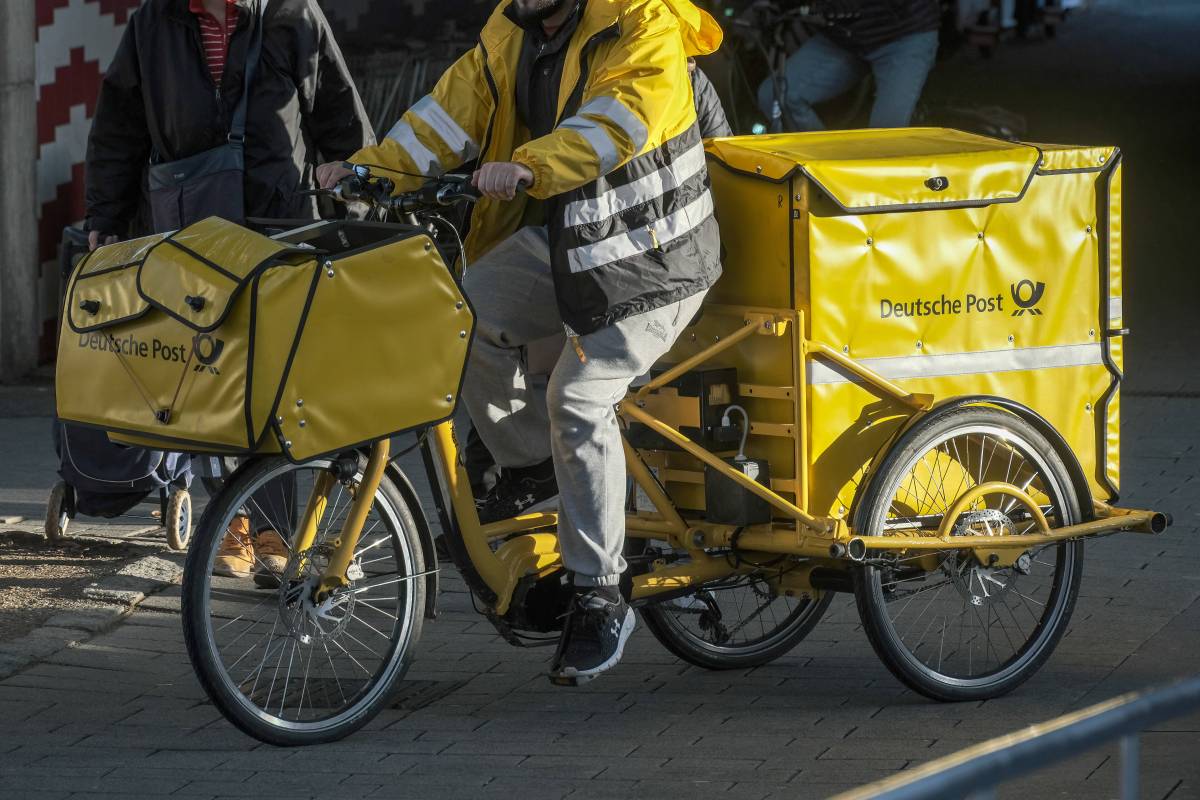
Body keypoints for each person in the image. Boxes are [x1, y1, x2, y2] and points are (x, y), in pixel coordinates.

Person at [319, 0, 723, 684]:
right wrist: (372, 170)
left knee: (577, 396)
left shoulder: (642, 23)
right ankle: (535, 464)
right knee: (461, 314)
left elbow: (617, 120)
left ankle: (599, 593)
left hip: (657, 257)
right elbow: (446, 118)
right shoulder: (513, 31)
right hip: (576, 246)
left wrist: (530, 166)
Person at [84, 0, 373, 585]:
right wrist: (106, 217)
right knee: (207, 379)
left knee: (277, 378)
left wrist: (355, 192)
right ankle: (233, 520)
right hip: (192, 233)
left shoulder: (295, 15)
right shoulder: (152, 23)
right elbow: (120, 127)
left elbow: (339, 116)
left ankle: (275, 528)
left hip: (278, 226)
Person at [757, 0, 940, 131]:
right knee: (776, 95)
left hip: (904, 37)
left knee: (885, 140)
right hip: (843, 37)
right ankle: (825, 171)